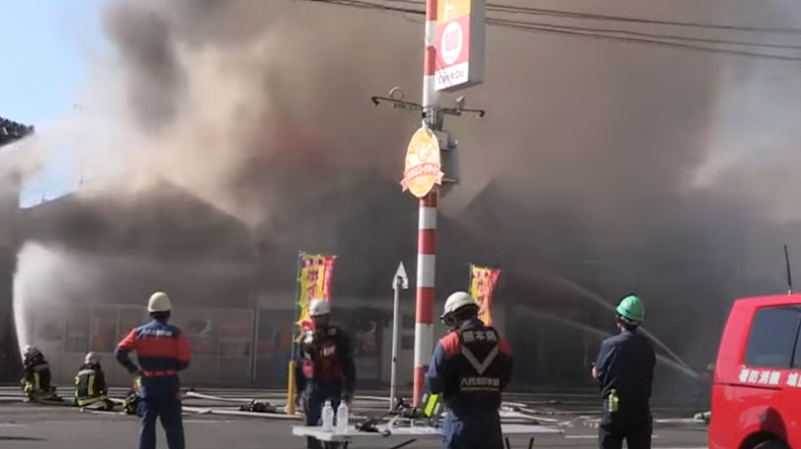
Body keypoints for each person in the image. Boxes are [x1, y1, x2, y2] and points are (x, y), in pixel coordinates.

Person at [426, 291, 513, 449]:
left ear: (454, 318)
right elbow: (505, 379)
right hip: (490, 425)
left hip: (460, 421)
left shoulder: (449, 344)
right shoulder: (501, 344)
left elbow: (434, 384)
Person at [116, 292, 191, 449]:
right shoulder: (176, 334)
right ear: (168, 313)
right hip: (169, 384)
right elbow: (184, 361)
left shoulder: (139, 332)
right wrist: (171, 367)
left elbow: (120, 353)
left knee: (147, 426)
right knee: (173, 428)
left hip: (148, 384)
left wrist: (134, 369)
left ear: (151, 312)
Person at [592, 294, 656, 449]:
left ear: (619, 319)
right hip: (640, 410)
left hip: (614, 409)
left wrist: (595, 369)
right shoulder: (648, 346)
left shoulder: (610, 345)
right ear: (639, 321)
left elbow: (599, 374)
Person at [300, 298, 356, 449]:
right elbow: (302, 366)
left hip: (333, 384)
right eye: (315, 318)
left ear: (328, 317)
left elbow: (348, 364)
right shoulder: (306, 339)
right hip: (313, 386)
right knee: (311, 427)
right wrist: (300, 392)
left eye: (321, 317)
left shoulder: (338, 337)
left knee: (333, 427)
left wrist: (348, 390)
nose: (318, 321)